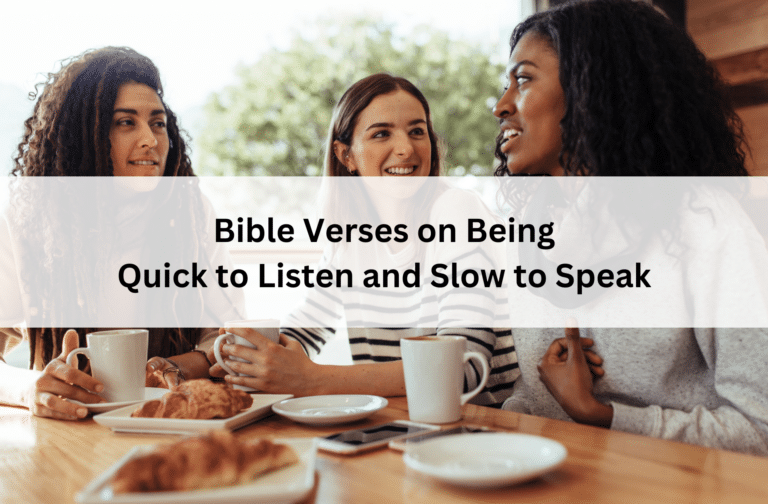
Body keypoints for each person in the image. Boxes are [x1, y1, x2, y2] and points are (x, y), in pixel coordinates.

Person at [494, 0, 768, 455]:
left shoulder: (704, 222)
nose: (501, 106)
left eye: (523, 80)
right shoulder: (528, 230)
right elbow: (535, 403)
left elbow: (761, 427)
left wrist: (602, 415)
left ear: (590, 89)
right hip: (543, 473)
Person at [212, 73, 530, 406]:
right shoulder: (351, 239)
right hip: (401, 425)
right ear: (345, 155)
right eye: (381, 134)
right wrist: (250, 357)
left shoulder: (456, 212)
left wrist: (312, 379)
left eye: (417, 131)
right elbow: (304, 331)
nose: (406, 149)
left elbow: (462, 368)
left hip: (484, 425)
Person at [0, 47, 244, 420]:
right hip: (66, 433)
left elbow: (227, 338)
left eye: (158, 123)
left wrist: (175, 368)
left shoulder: (192, 214)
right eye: (126, 122)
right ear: (83, 135)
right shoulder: (26, 222)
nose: (151, 139)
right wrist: (28, 390)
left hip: (167, 426)